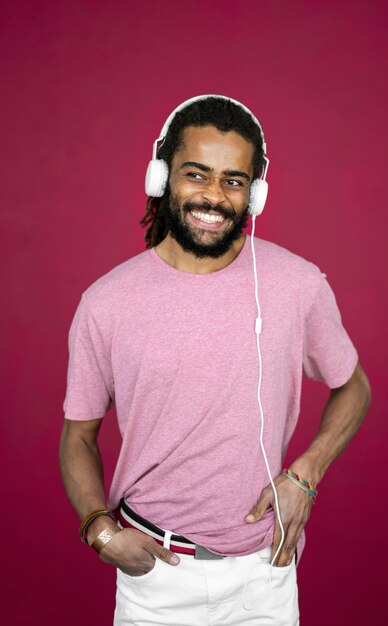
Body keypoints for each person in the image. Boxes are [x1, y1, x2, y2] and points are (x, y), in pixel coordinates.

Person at [60, 95, 371, 626]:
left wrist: (306, 474)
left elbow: (355, 386)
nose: (213, 196)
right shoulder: (106, 302)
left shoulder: (297, 284)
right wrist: (99, 529)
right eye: (196, 174)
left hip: (263, 578)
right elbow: (78, 437)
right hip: (154, 577)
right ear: (161, 178)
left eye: (233, 180)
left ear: (255, 192)